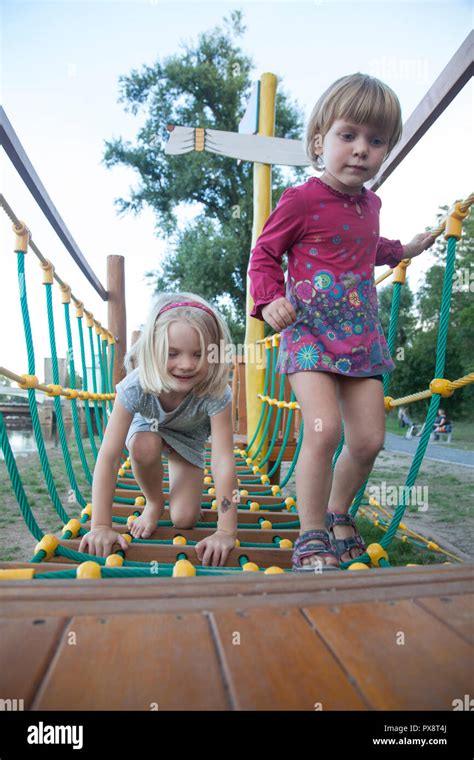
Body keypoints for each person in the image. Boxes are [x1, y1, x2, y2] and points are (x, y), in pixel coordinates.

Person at [248, 73, 435, 571]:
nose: (361, 151)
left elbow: (366, 248)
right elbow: (265, 253)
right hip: (308, 334)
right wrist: (268, 302)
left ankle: (337, 511)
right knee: (324, 427)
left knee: (370, 439)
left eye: (376, 142)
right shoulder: (301, 200)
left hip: (360, 338)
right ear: (319, 142)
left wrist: (405, 249)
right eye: (348, 135)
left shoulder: (371, 204)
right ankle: (310, 534)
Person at [78, 292, 238, 567]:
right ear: (152, 351)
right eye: (172, 353)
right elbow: (109, 455)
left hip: (188, 438)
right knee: (142, 444)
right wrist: (101, 525)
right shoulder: (135, 386)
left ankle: (177, 495)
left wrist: (226, 531)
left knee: (185, 519)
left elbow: (223, 460)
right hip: (149, 428)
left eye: (198, 354)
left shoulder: (215, 392)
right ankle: (153, 502)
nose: (186, 364)